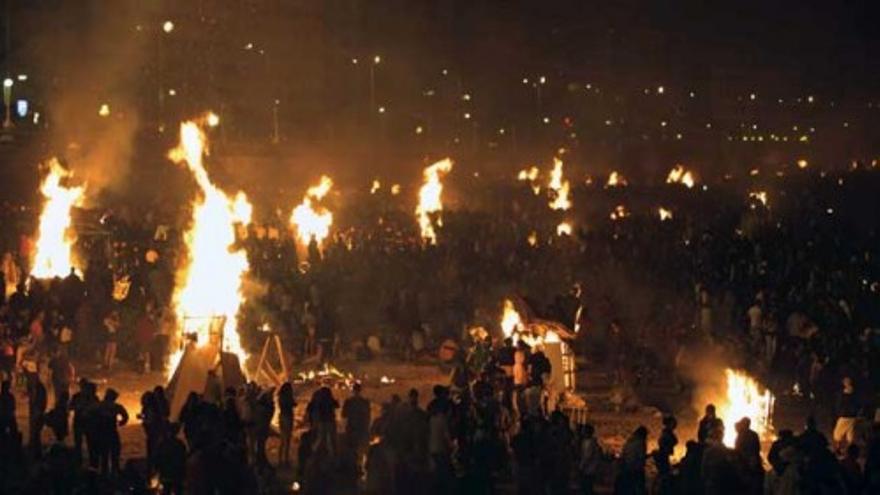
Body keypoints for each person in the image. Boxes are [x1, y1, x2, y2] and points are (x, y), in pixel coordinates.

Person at [95, 388, 129, 475]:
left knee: (105, 456)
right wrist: (122, 422)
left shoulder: (99, 406)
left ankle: (105, 473)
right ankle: (114, 472)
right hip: (111, 432)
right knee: (114, 454)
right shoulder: (115, 406)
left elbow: (91, 416)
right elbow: (125, 416)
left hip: (102, 433)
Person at [70, 378, 98, 465]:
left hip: (85, 423)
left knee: (89, 443)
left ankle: (91, 463)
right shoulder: (78, 396)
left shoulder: (91, 397)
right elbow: (70, 407)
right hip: (82, 423)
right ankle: (83, 462)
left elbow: (98, 408)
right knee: (81, 444)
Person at [615, 425, 648, 495]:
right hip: (637, 469)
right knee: (639, 488)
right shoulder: (641, 443)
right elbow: (641, 457)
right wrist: (651, 455)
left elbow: (623, 455)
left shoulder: (628, 442)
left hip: (627, 468)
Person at [342, 382, 371, 458]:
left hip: (352, 428)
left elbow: (344, 414)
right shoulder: (365, 402)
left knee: (351, 450)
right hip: (362, 428)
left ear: (353, 390)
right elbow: (368, 415)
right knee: (361, 451)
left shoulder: (348, 401)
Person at [833, 376, 859, 453]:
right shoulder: (855, 393)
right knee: (850, 434)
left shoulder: (845, 393)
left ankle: (838, 449)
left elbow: (841, 404)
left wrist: (838, 412)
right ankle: (849, 451)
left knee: (837, 433)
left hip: (845, 415)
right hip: (852, 416)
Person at [578, 423, 601, 495]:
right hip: (589, 468)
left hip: (588, 469)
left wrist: (581, 466)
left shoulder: (590, 443)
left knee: (586, 487)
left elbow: (587, 456)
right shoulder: (588, 442)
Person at [277, 382, 296, 467]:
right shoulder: (288, 397)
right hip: (288, 417)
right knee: (287, 440)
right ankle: (285, 459)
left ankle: (280, 459)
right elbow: (293, 404)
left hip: (282, 417)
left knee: (282, 440)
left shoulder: (280, 397)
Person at [28, 379, 47, 458]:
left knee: (36, 433)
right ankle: (36, 450)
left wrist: (38, 410)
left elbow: (40, 401)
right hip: (37, 412)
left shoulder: (39, 389)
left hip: (38, 412)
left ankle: (37, 452)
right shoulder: (39, 389)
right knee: (35, 433)